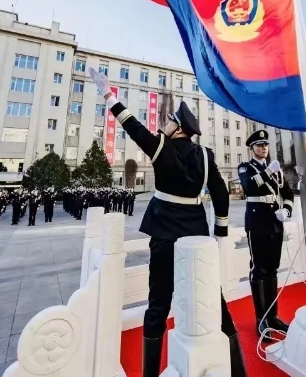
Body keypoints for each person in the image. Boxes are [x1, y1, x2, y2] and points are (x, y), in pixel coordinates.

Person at [88, 68, 247, 377]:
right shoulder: (205, 156)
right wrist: (220, 230)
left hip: (164, 235)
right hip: (197, 238)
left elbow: (132, 126)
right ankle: (239, 370)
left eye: (170, 121)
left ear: (178, 128)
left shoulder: (161, 148)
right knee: (214, 300)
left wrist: (108, 94)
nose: (166, 124)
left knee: (158, 304)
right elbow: (220, 192)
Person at [238, 129, 294, 341]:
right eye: (260, 145)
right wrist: (269, 171)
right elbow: (250, 186)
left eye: (265, 145)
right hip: (257, 222)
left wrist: (286, 210)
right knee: (259, 269)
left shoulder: (276, 171)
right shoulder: (246, 167)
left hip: (275, 221)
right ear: (252, 148)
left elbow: (287, 193)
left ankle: (273, 316)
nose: (264, 148)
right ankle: (261, 319)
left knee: (272, 269)